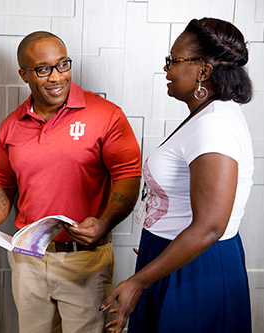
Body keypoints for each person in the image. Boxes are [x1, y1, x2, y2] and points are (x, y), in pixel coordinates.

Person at [0, 31, 142, 332]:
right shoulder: (10, 126)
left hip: (84, 261)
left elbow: (128, 176)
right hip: (27, 260)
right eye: (43, 69)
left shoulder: (106, 115)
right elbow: (1, 181)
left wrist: (104, 223)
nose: (56, 77)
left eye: (63, 64)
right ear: (24, 74)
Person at [100, 18, 254, 333]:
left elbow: (210, 226)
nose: (167, 71)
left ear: (203, 71)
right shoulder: (205, 116)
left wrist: (138, 282)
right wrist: (159, 250)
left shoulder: (215, 126)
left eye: (174, 60)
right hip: (179, 256)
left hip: (198, 269)